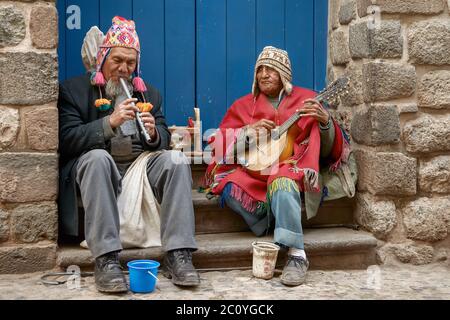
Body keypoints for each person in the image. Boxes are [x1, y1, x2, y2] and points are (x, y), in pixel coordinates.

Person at [58, 16, 200, 293]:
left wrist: (156, 133)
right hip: (96, 165)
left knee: (175, 160)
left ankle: (179, 254)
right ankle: (106, 259)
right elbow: (66, 140)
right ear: (102, 59)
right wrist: (108, 123)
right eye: (117, 61)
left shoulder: (148, 94)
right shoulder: (73, 91)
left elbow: (163, 135)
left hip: (139, 166)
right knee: (98, 159)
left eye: (130, 63)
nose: (124, 69)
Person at [205, 46, 353, 286]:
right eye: (260, 69)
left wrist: (325, 121)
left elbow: (328, 150)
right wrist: (247, 133)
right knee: (228, 187)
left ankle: (296, 254)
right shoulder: (244, 105)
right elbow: (220, 148)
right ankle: (271, 219)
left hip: (291, 166)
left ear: (284, 75)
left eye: (271, 69)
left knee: (282, 182)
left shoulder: (307, 101)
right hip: (255, 172)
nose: (264, 74)